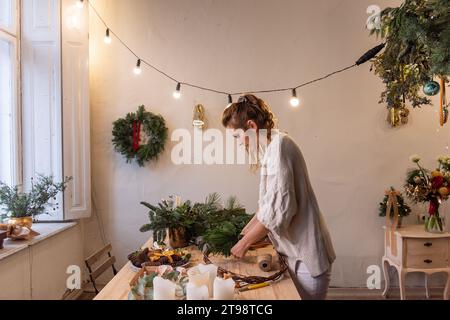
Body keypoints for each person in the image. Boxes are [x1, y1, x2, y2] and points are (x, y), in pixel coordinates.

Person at [221, 94, 336, 300]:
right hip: (293, 254)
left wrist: (243, 244)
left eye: (237, 137)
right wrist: (243, 233)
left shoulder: (280, 148)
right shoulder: (273, 147)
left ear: (251, 126)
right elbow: (267, 207)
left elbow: (277, 212)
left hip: (306, 259)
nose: (238, 144)